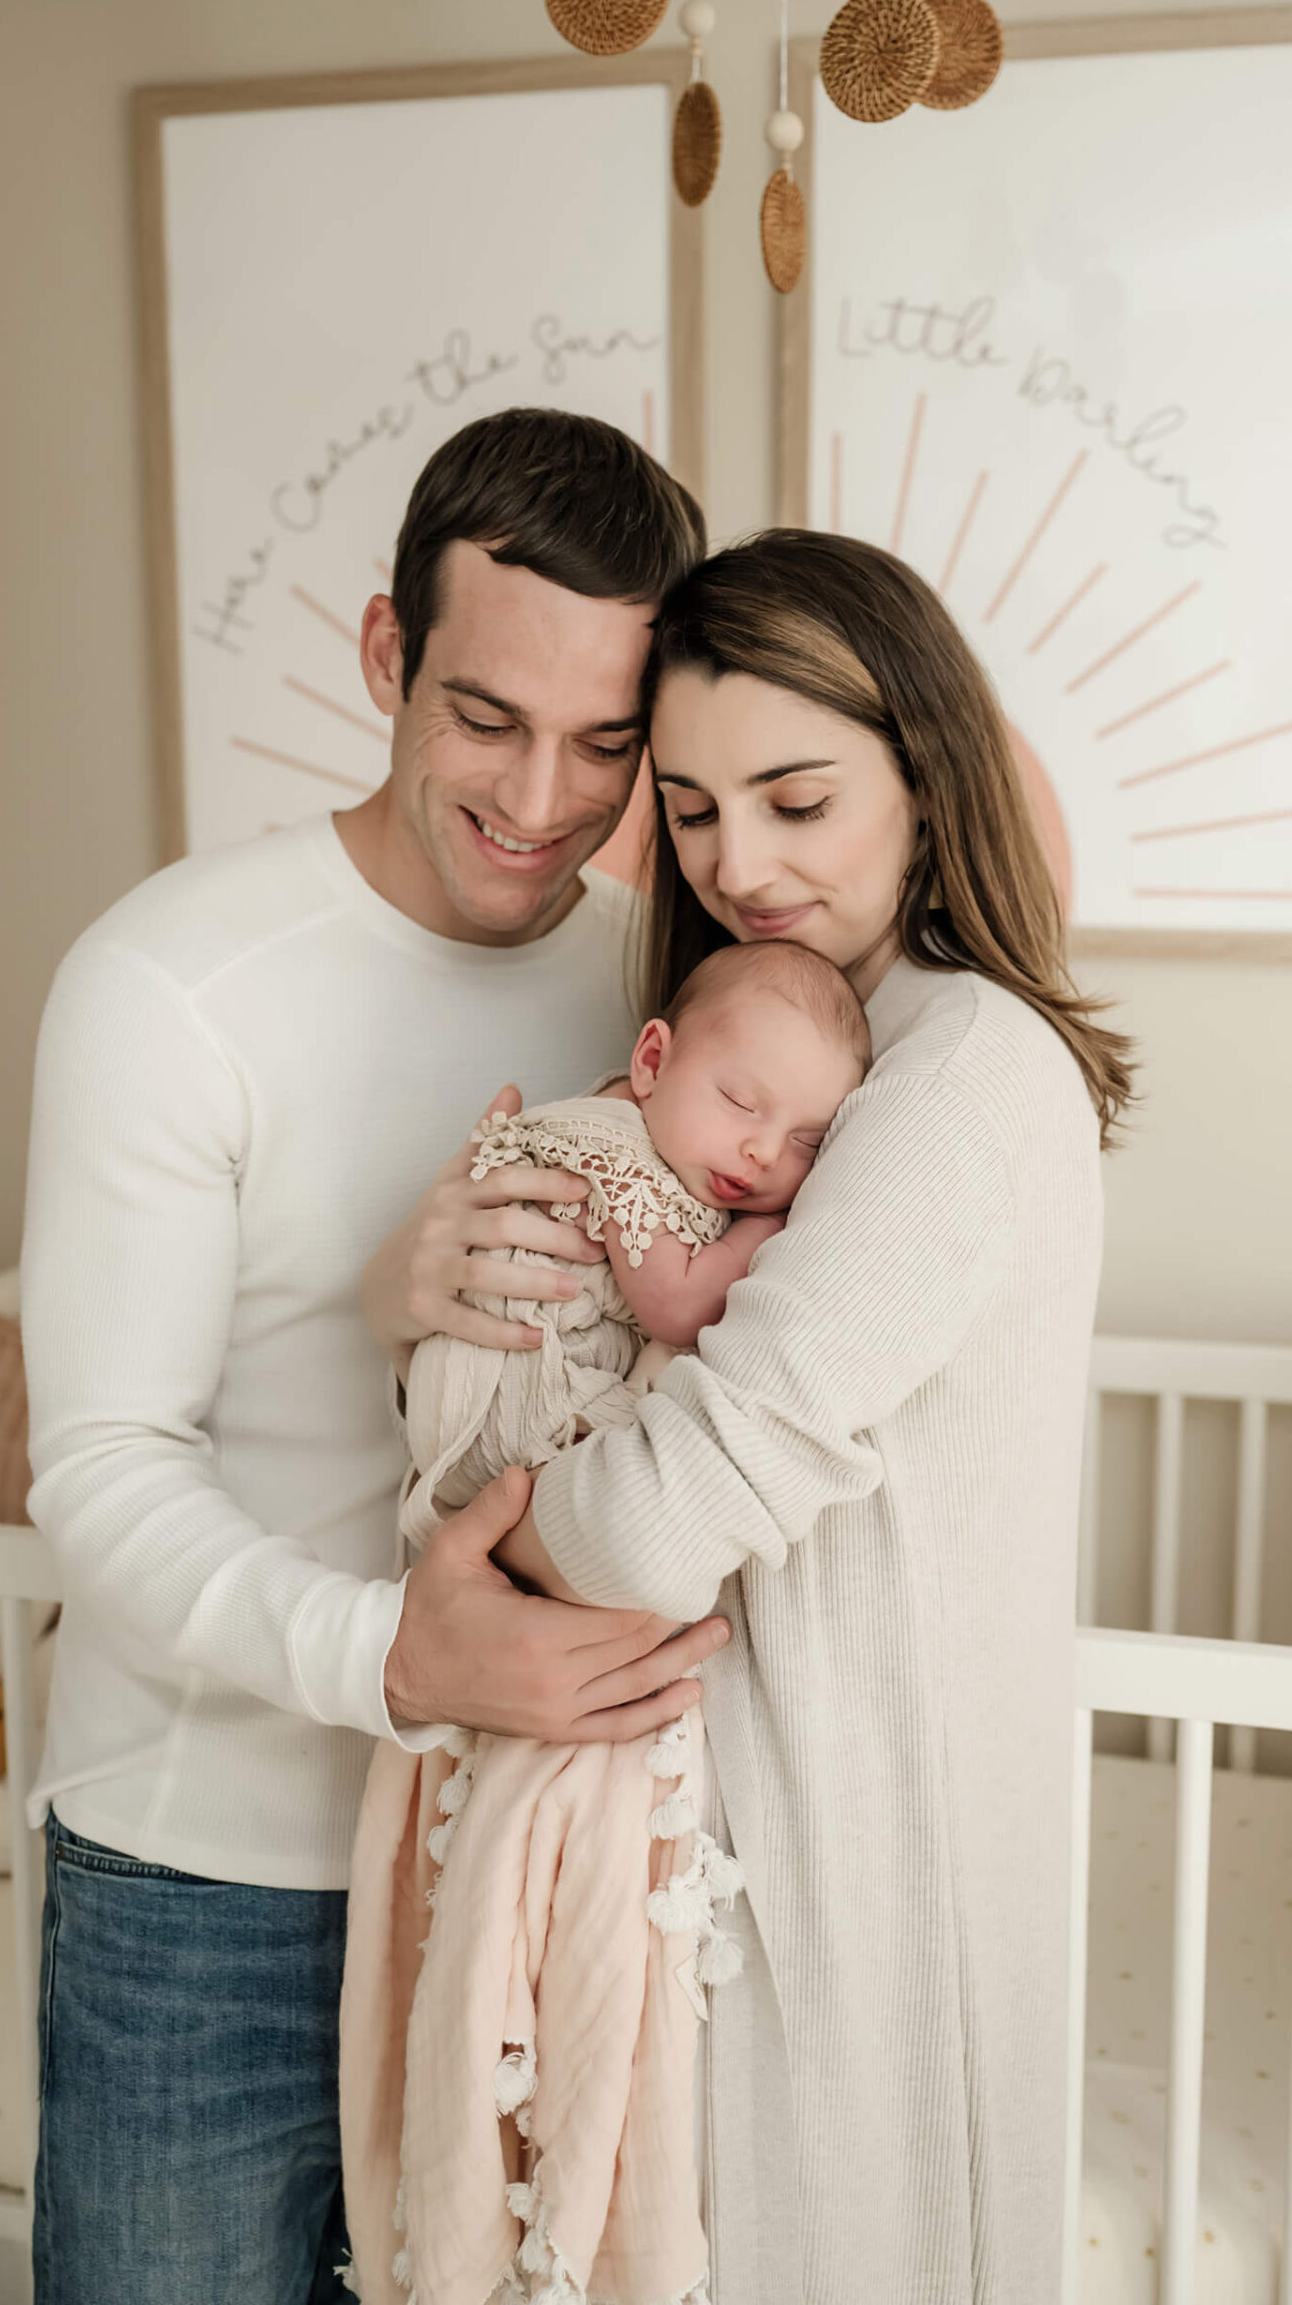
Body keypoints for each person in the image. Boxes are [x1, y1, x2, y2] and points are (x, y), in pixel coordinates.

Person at [374, 529, 1134, 2303]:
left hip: (869, 1857)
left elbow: (655, 1517)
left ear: (927, 779)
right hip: (754, 1838)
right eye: (698, 812)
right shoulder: (809, 1057)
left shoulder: (960, 1079)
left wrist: (468, 1564)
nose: (742, 864)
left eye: (799, 800)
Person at [18, 409, 728, 2305]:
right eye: (487, 716)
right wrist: (391, 1653)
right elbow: (95, 1467)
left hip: (525, 1873)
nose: (545, 797)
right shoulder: (170, 982)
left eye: (607, 742)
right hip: (209, 1892)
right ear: (385, 657)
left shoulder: (658, 991)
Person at [340, 941, 871, 2305]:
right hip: (499, 1434)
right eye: (742, 1106)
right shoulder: (613, 1159)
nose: (762, 1155)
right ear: (649, 1066)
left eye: (810, 1140)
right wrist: (773, 1241)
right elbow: (678, 1305)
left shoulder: (652, 1147)